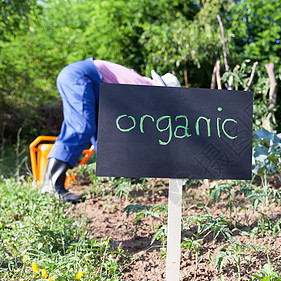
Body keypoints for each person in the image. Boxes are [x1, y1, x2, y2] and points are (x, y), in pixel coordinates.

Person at [41, 57, 181, 204]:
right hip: (79, 77)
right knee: (81, 128)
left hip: (88, 83)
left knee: (103, 135)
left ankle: (118, 182)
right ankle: (51, 186)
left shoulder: (142, 87)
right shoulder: (141, 86)